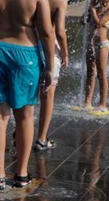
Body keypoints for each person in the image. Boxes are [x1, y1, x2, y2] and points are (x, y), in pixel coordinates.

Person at [0, 0, 55, 190]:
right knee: (25, 115)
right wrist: (50, 67)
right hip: (26, 54)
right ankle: (21, 174)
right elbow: (47, 32)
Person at [34, 0, 69, 151]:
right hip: (50, 48)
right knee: (47, 95)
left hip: (30, 45)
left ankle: (19, 132)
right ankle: (41, 138)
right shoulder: (60, 2)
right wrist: (66, 54)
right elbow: (60, 31)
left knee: (28, 92)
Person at [82, 0, 109, 115]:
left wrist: (92, 10)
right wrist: (87, 13)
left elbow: (99, 23)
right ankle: (87, 101)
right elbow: (83, 21)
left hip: (102, 44)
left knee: (101, 74)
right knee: (90, 72)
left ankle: (102, 104)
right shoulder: (97, 8)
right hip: (91, 44)